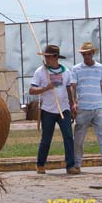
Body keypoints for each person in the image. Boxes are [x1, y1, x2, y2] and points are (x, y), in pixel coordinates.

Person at [29, 44, 78, 175]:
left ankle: (70, 165)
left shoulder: (66, 71)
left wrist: (73, 103)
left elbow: (68, 88)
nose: (47, 59)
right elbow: (32, 90)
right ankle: (40, 164)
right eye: (45, 56)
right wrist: (46, 88)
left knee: (68, 137)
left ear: (56, 57)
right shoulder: (40, 71)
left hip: (64, 109)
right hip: (48, 110)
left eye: (49, 57)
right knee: (46, 138)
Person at [71, 42, 102, 173]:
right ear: (82, 55)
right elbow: (73, 87)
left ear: (93, 54)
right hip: (83, 107)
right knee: (78, 138)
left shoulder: (100, 68)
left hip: (98, 107)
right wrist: (73, 103)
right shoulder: (76, 69)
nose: (87, 56)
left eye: (89, 54)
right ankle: (77, 164)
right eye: (84, 54)